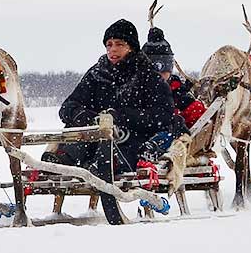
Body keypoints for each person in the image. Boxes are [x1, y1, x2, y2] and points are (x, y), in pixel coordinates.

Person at [48, 18, 180, 179]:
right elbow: (67, 107)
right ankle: (62, 161)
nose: (113, 49)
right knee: (78, 132)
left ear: (131, 47)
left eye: (119, 44)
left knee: (120, 144)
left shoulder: (148, 76)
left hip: (132, 139)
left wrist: (121, 117)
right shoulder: (97, 74)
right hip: (94, 137)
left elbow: (163, 116)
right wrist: (86, 117)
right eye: (109, 45)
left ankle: (102, 165)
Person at [140, 26, 207, 129]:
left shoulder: (179, 94)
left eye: (163, 68)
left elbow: (201, 118)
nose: (159, 74)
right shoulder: (134, 91)